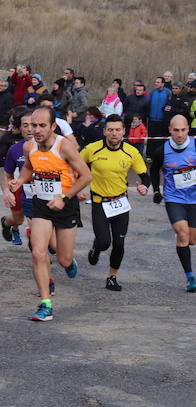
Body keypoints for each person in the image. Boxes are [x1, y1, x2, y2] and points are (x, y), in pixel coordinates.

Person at [9, 106, 92, 322]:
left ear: (53, 126)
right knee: (38, 252)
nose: (36, 130)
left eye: (41, 125)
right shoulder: (29, 147)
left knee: (63, 258)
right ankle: (45, 304)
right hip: (41, 205)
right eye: (33, 125)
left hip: (66, 205)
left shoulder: (64, 147)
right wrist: (20, 180)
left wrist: (64, 198)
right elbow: (29, 167)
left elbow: (85, 176)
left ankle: (69, 262)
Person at [80, 114, 150, 291]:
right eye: (110, 130)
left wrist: (144, 187)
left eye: (118, 130)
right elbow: (76, 167)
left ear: (124, 132)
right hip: (99, 202)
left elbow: (144, 176)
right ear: (104, 131)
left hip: (120, 202)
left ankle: (112, 277)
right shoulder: (92, 149)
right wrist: (79, 188)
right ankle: (96, 248)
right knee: (104, 242)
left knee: (119, 244)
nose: (114, 133)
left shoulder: (131, 152)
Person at [152, 115, 196, 291]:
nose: (179, 134)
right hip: (174, 198)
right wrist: (156, 191)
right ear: (170, 130)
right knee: (182, 234)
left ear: (188, 129)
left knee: (192, 239)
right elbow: (154, 170)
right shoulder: (161, 150)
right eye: (176, 130)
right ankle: (190, 277)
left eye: (183, 130)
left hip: (194, 199)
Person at [1, 107, 34, 246]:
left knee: (37, 228)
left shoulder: (52, 146)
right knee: (18, 220)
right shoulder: (15, 150)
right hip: (21, 189)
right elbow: (6, 174)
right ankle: (7, 223)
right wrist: (7, 192)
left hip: (42, 193)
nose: (30, 129)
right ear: (19, 128)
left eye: (33, 124)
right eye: (25, 125)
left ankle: (41, 255)